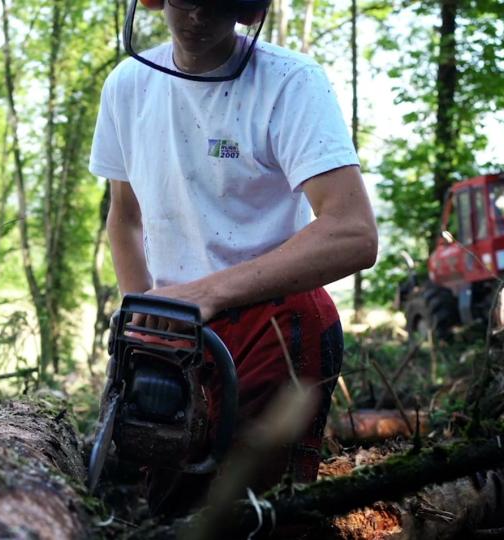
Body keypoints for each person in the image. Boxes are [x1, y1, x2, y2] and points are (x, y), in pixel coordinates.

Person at [90, 0, 378, 517]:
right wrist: (148, 314)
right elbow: (124, 217)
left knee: (252, 512)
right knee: (170, 503)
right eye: (186, 0)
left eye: (218, 3)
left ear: (245, 10)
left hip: (275, 321)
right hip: (178, 329)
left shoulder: (289, 83)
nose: (198, 16)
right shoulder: (128, 86)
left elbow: (352, 231)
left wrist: (207, 293)